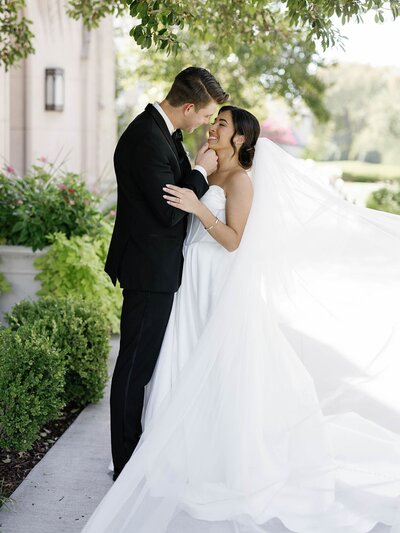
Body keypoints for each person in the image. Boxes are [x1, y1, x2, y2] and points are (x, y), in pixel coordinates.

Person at [84, 106, 400, 532]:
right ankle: (168, 451)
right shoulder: (206, 170)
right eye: (213, 122)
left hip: (215, 282)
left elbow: (234, 241)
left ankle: (216, 458)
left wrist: (199, 209)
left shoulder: (239, 181)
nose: (213, 128)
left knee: (214, 368)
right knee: (178, 361)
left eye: (222, 125)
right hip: (187, 281)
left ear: (240, 140)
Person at [104, 67, 228, 481]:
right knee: (133, 369)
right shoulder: (144, 138)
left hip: (158, 269)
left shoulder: (161, 134)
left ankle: (134, 452)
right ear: (189, 107)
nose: (207, 124)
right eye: (207, 115)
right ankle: (126, 464)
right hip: (147, 269)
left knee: (143, 366)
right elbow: (168, 209)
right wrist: (200, 172)